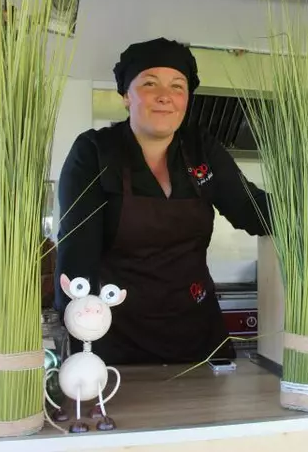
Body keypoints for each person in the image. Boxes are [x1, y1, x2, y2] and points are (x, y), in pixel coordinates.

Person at [54, 37, 271, 366]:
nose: (165, 97)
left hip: (199, 338)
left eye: (177, 86)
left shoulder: (202, 149)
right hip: (116, 340)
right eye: (149, 83)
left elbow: (253, 211)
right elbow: (76, 252)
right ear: (126, 96)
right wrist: (76, 348)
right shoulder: (96, 152)